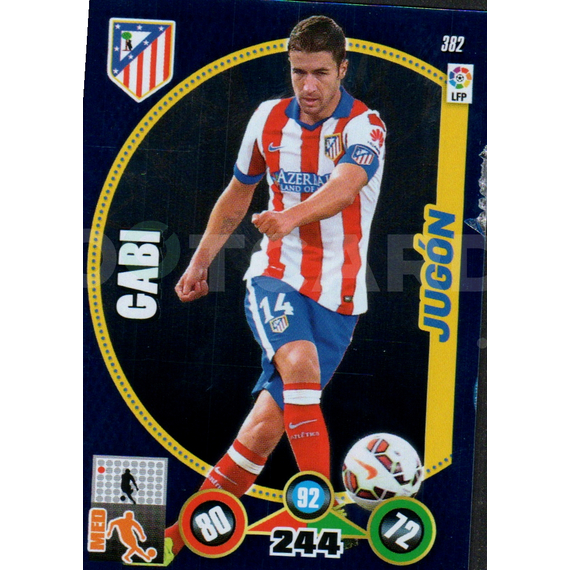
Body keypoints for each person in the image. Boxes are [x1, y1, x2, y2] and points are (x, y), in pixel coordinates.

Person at [165, 15, 386, 560]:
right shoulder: (267, 118)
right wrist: (199, 263)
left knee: (265, 428)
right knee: (301, 364)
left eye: (320, 73)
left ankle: (175, 541)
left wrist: (290, 216)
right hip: (276, 276)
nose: (308, 86)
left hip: (339, 298)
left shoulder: (365, 125)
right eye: (298, 72)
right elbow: (238, 194)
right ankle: (321, 506)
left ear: (342, 69)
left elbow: (346, 187)